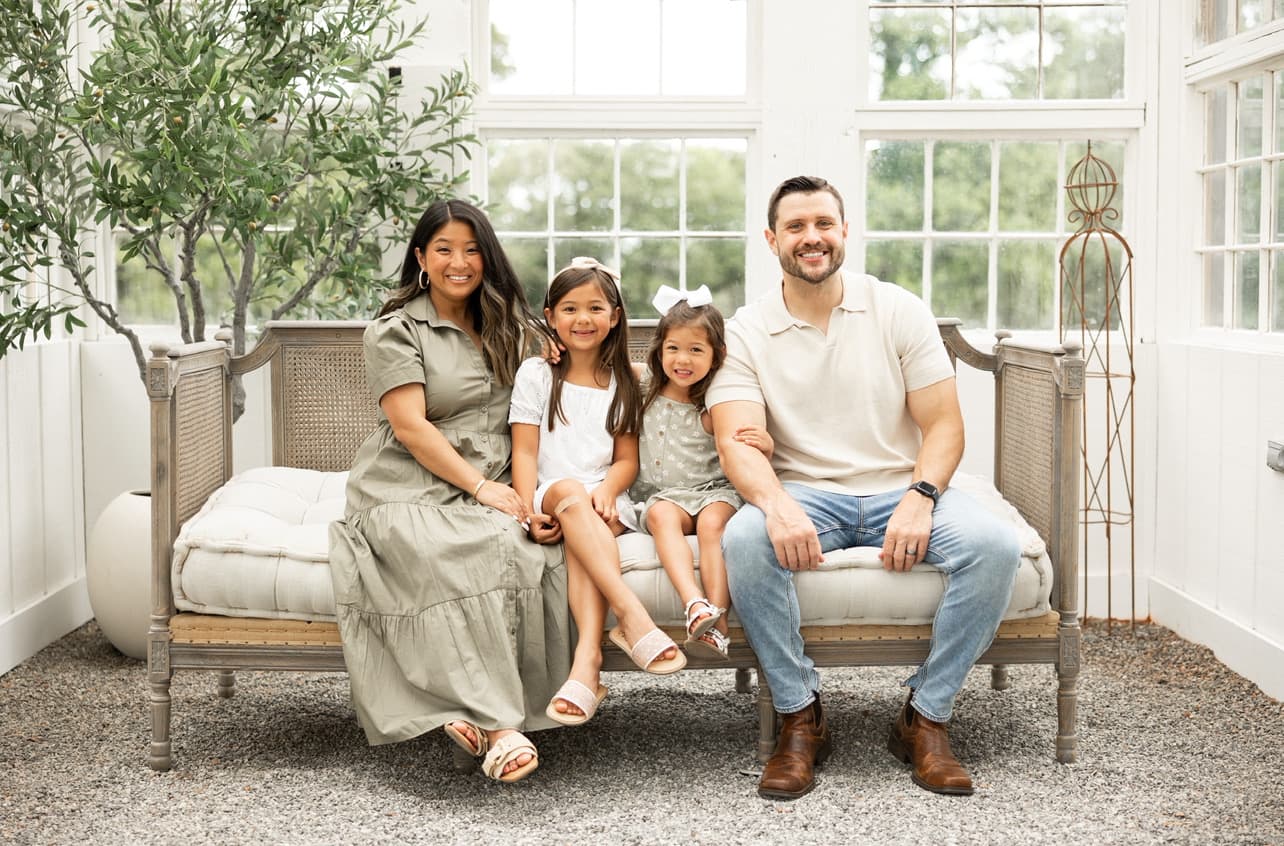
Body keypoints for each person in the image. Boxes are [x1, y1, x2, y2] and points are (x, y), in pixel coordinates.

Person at [708, 176, 1022, 800]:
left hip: (898, 487)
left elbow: (944, 426)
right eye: (796, 227)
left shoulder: (897, 309)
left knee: (995, 546)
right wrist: (775, 505)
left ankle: (925, 718)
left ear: (845, 232)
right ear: (772, 240)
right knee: (745, 540)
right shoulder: (744, 331)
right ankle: (801, 717)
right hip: (804, 492)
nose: (812, 237)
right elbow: (736, 442)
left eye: (824, 223)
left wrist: (920, 497)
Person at [328, 199, 568, 784]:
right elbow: (411, 427)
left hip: (493, 477)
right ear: (420, 258)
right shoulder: (395, 330)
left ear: (487, 257)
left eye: (471, 249)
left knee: (520, 550)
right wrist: (483, 487)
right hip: (409, 481)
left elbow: (575, 365)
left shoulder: (508, 323)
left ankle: (466, 715)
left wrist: (550, 348)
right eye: (444, 249)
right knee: (444, 551)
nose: (459, 262)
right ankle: (499, 725)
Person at [509, 257, 686, 727]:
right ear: (549, 316)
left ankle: (587, 663)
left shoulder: (626, 381)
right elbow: (525, 455)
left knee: (585, 529)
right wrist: (527, 512)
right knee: (570, 492)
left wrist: (608, 491)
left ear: (614, 316)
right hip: (551, 489)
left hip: (602, 498)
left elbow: (626, 460)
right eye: (568, 309)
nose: (582, 319)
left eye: (594, 308)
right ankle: (632, 616)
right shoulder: (536, 374)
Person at [630, 284, 773, 660]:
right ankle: (695, 605)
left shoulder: (715, 400)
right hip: (666, 496)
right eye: (673, 348)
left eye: (696, 350)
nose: (683, 359)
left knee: (713, 526)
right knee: (660, 516)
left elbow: (748, 440)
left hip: (714, 491)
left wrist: (767, 443)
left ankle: (719, 624)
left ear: (717, 355)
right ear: (658, 350)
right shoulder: (643, 384)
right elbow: (595, 363)